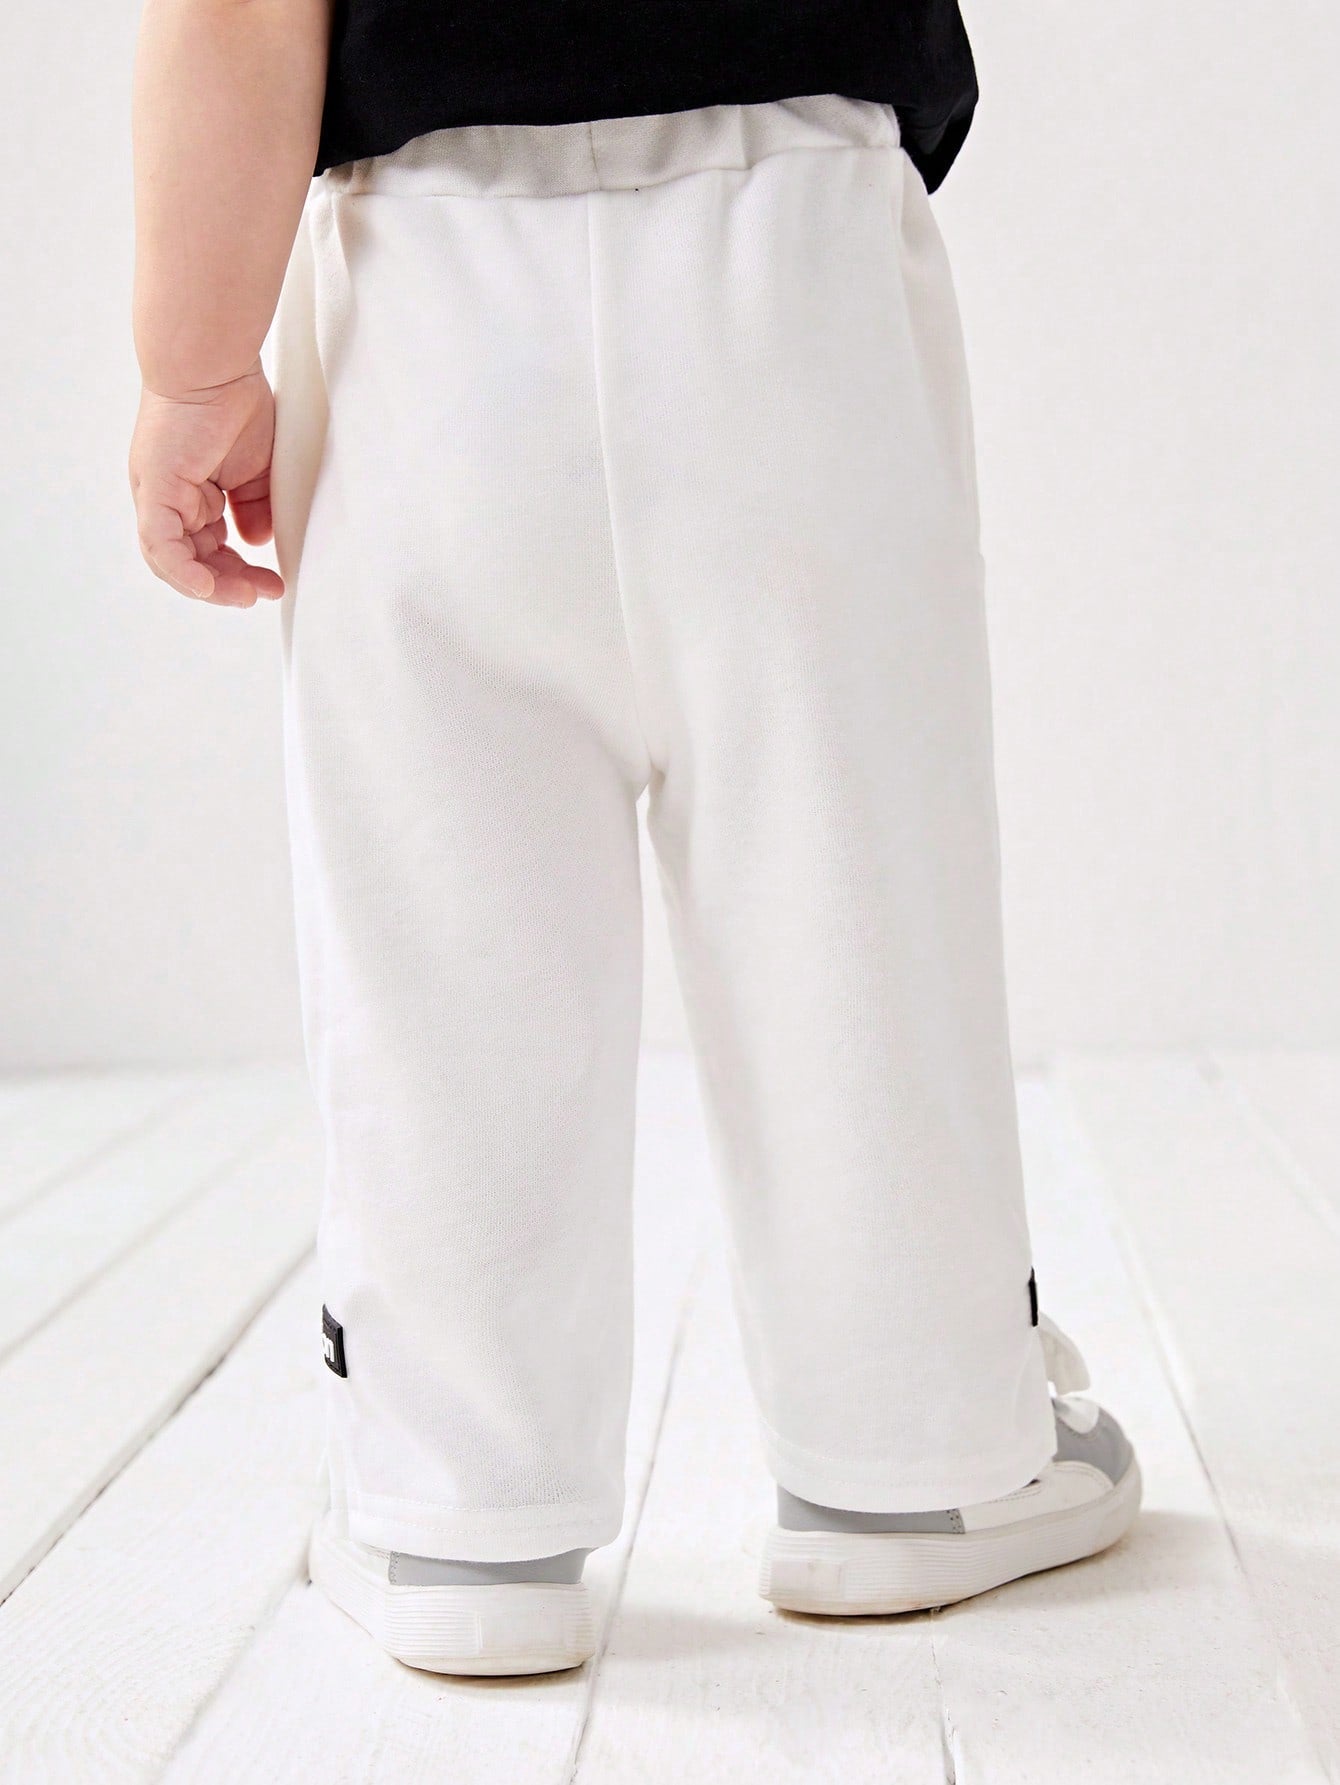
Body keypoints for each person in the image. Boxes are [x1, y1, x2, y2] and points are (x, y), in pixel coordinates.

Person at [129, 0, 1140, 1677]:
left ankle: (457, 1506)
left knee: (440, 922)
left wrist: (198, 367)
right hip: (798, 244)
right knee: (854, 889)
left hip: (424, 295)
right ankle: (917, 1460)